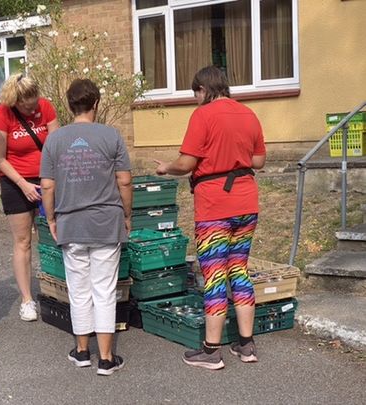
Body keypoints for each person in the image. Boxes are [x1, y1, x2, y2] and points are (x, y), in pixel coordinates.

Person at [154, 66, 266, 370]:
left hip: (215, 205)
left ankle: (211, 350)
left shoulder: (203, 116)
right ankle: (246, 345)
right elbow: (258, 160)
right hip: (246, 202)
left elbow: (188, 162)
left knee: (215, 274)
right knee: (239, 270)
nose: (195, 99)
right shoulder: (248, 114)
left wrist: (167, 168)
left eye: (195, 93)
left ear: (203, 89)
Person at [40, 78, 133, 376]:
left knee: (78, 291)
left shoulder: (55, 140)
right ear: (96, 104)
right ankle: (106, 358)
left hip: (71, 223)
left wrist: (52, 219)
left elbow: (47, 186)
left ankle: (81, 351)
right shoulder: (111, 135)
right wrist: (127, 216)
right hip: (106, 223)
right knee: (104, 291)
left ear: (69, 106)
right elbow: (125, 181)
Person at [0, 73, 59, 321]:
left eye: (34, 101)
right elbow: (0, 159)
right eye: (26, 104)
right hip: (16, 182)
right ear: (15, 100)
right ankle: (27, 300)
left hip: (46, 180)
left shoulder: (46, 107)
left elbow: (55, 144)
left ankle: (56, 291)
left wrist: (49, 180)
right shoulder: (1, 115)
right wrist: (23, 184)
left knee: (53, 238)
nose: (32, 107)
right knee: (23, 242)